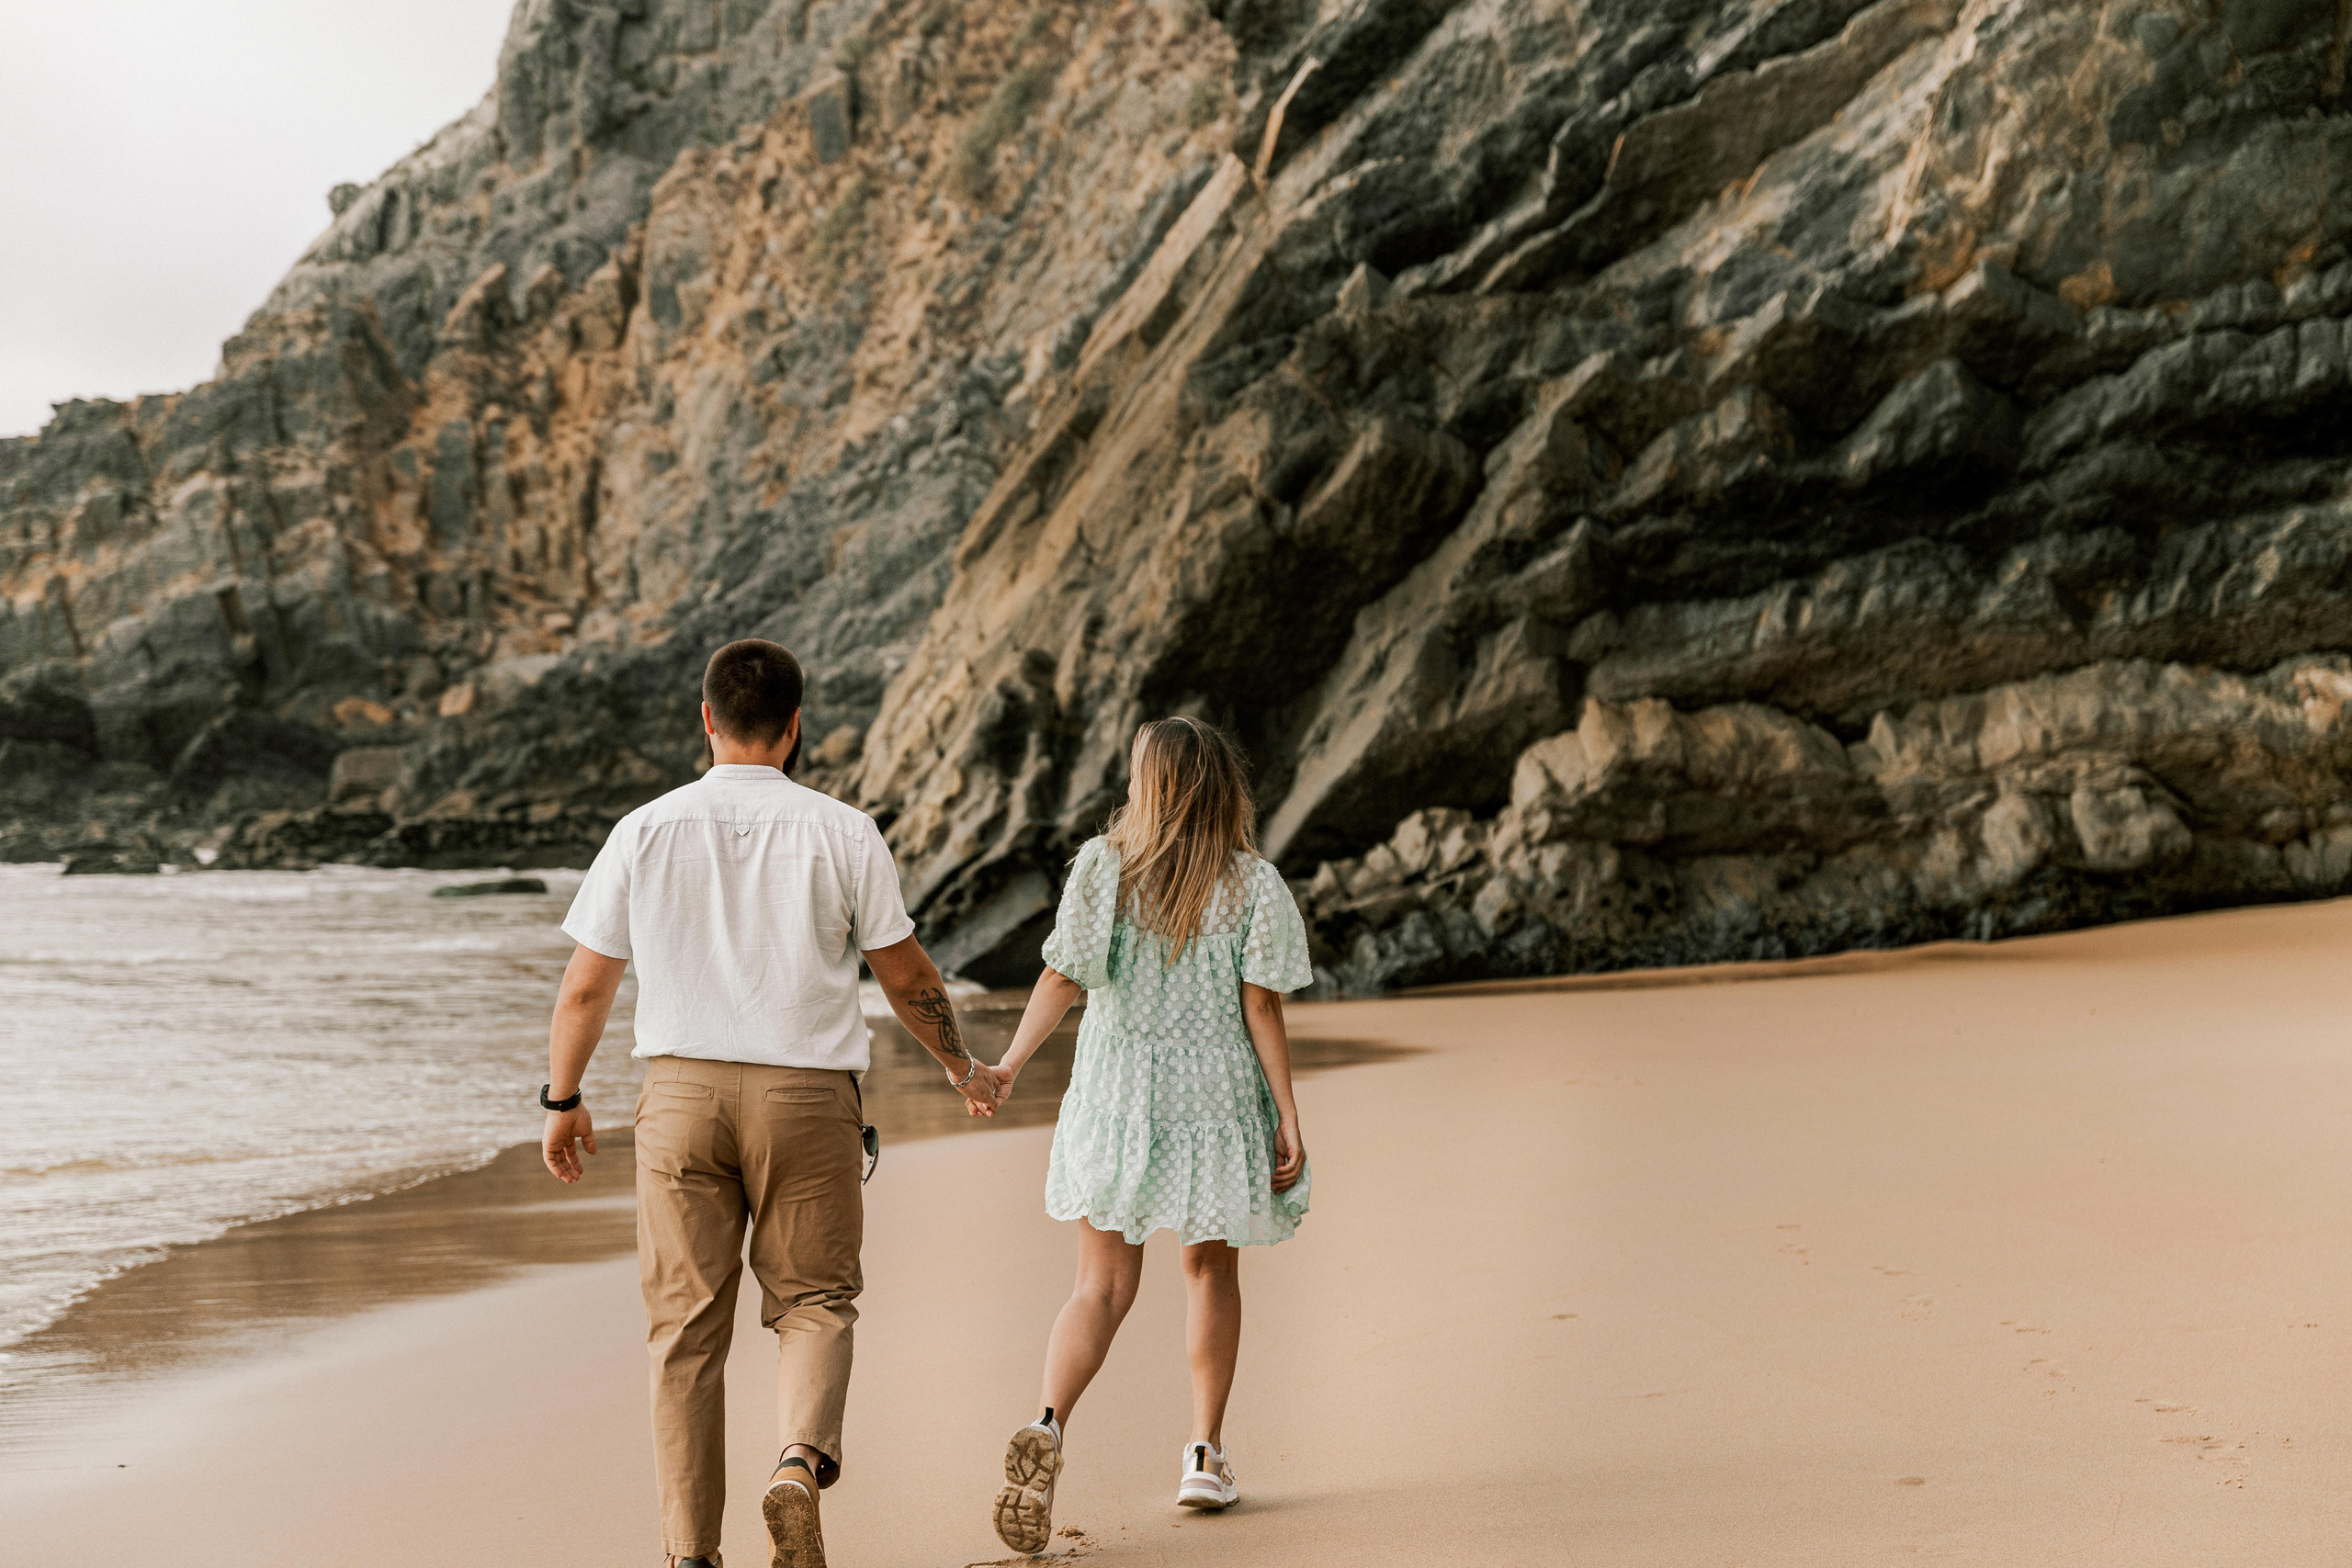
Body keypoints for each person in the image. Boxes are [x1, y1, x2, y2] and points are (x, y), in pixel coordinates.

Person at [537, 637, 1001, 1568]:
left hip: (679, 1100)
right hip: (805, 1098)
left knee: (683, 1334)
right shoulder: (843, 831)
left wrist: (563, 1098)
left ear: (706, 721)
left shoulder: (645, 830)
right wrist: (962, 1067)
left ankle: (689, 1554)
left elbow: (585, 988)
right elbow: (906, 976)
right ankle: (797, 1463)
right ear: (794, 729)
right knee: (815, 1300)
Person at [978, 716, 1313, 1555]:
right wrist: (1287, 1109)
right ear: (1220, 788)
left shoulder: (1103, 869)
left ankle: (1048, 1423)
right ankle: (1204, 1454)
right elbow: (1262, 1004)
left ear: (1147, 786)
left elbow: (1062, 973)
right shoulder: (1253, 883)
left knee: (1100, 1285)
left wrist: (1011, 1062)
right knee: (1208, 1270)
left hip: (1119, 1096)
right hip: (1216, 1100)